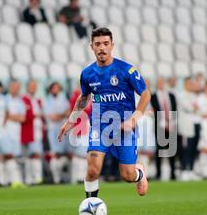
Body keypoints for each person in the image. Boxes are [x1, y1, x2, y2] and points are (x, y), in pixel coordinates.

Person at [58, 27, 151, 199]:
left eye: (106, 44)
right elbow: (84, 97)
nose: (102, 48)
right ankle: (91, 207)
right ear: (91, 46)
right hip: (99, 127)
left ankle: (139, 173)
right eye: (98, 44)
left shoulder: (126, 70)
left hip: (125, 128)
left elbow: (145, 94)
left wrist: (134, 118)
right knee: (93, 169)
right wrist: (71, 120)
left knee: (127, 175)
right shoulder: (87, 74)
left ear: (112, 45)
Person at [151, 77, 177, 180]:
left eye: (162, 82)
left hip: (171, 126)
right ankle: (158, 173)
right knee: (159, 150)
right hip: (159, 126)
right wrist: (164, 124)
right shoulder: (153, 96)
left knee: (172, 150)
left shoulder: (171, 95)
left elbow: (174, 110)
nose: (161, 84)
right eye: (159, 82)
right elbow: (155, 112)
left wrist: (171, 124)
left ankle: (173, 173)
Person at [44, 82, 71, 184]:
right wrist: (62, 115)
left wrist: (60, 115)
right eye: (54, 88)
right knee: (55, 154)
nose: (56, 90)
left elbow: (68, 112)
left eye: (57, 88)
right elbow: (52, 117)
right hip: (53, 130)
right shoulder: (47, 101)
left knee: (67, 154)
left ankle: (65, 177)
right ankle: (56, 179)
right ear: (50, 89)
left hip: (64, 129)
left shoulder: (63, 99)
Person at [176, 77, 201, 181]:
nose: (191, 85)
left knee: (194, 148)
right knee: (186, 148)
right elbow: (190, 108)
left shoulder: (195, 96)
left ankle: (190, 169)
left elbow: (199, 108)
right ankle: (184, 170)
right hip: (186, 126)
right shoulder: (181, 96)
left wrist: (195, 108)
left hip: (196, 123)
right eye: (189, 83)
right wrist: (194, 108)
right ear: (185, 84)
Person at [21, 80, 44, 185]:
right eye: (31, 86)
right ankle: (29, 178)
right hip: (28, 130)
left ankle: (37, 178)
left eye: (35, 86)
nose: (33, 88)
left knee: (36, 154)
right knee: (28, 155)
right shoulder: (23, 99)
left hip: (37, 130)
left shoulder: (38, 100)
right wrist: (35, 116)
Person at [69, 85, 93, 184]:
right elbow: (76, 110)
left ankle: (80, 176)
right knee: (80, 154)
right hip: (80, 126)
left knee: (84, 153)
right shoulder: (76, 95)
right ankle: (77, 177)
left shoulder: (92, 95)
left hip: (88, 126)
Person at [4, 80, 26, 188]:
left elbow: (22, 118)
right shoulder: (4, 99)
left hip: (16, 131)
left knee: (16, 156)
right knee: (8, 155)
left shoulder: (20, 101)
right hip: (5, 130)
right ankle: (9, 180)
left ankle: (15, 180)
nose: (16, 89)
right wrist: (12, 116)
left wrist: (11, 116)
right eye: (14, 86)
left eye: (18, 87)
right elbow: (4, 115)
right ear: (9, 87)